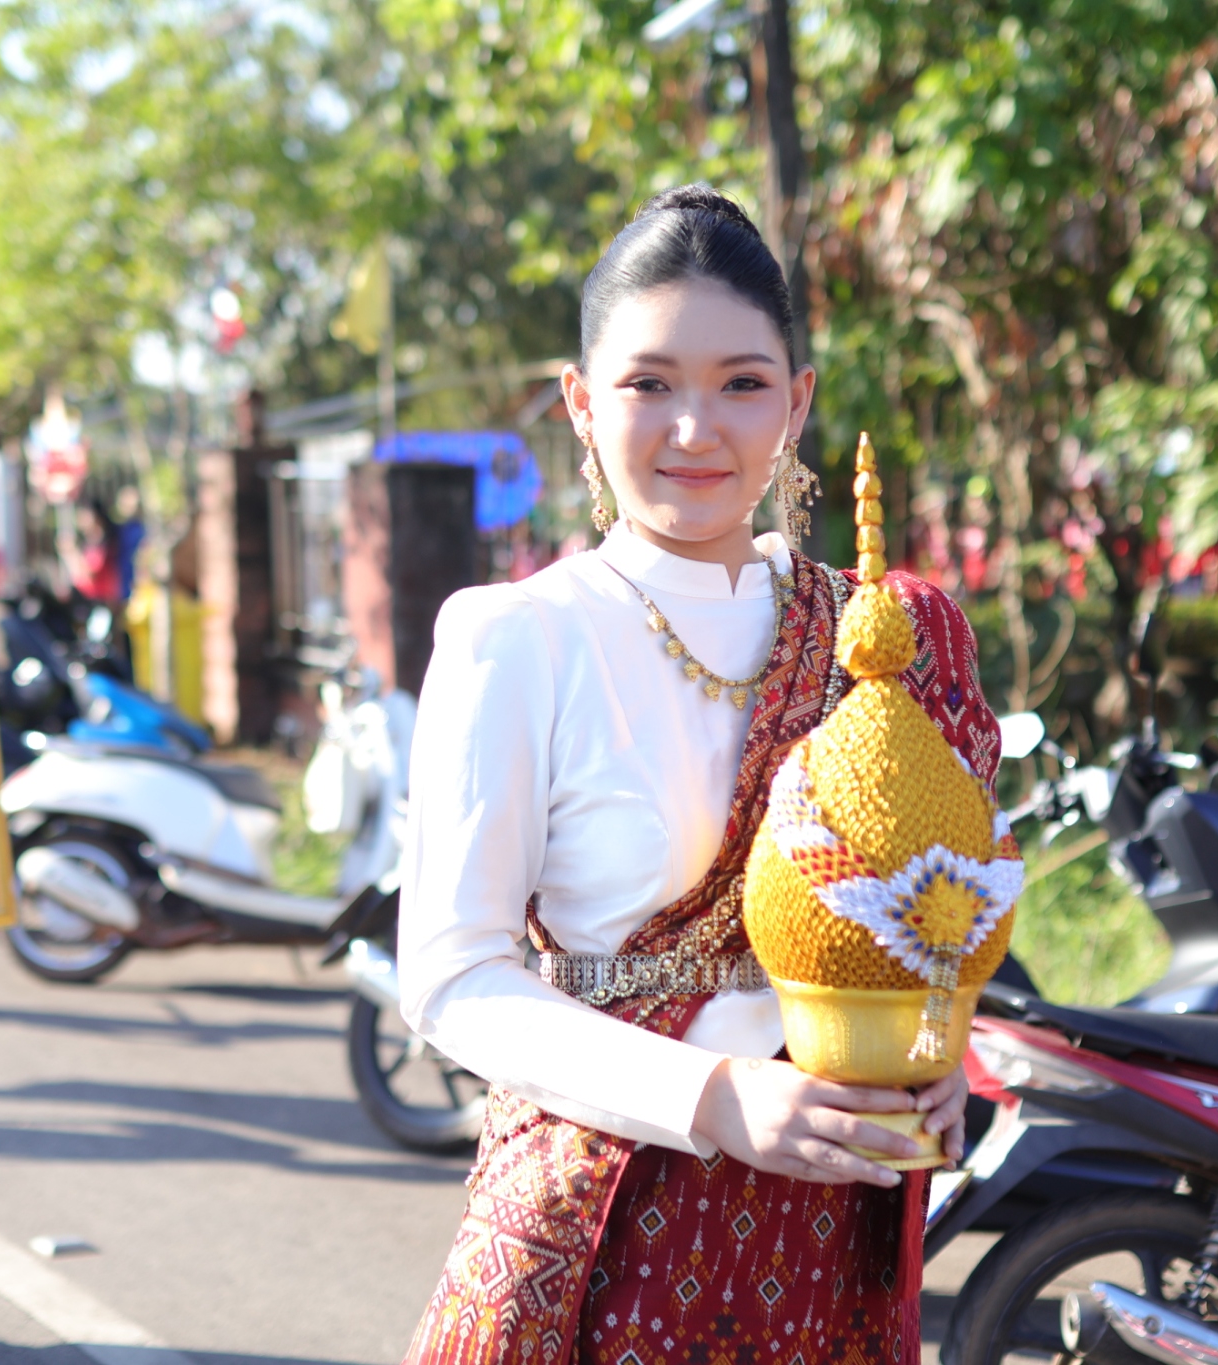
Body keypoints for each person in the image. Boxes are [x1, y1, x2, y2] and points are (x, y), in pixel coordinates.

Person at [398, 186, 1003, 1364]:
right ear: (580, 402)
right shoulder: (517, 637)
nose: (694, 429)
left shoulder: (884, 637)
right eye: (647, 384)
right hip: (599, 1234)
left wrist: (942, 1053)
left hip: (829, 1243)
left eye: (740, 384)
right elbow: (452, 976)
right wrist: (715, 1097)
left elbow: (946, 903)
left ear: (797, 402)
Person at [58, 496, 121, 603]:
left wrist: (70, 553)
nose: (80, 519)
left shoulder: (104, 543)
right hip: (87, 599)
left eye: (84, 515)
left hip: (99, 600)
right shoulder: (89, 542)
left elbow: (90, 576)